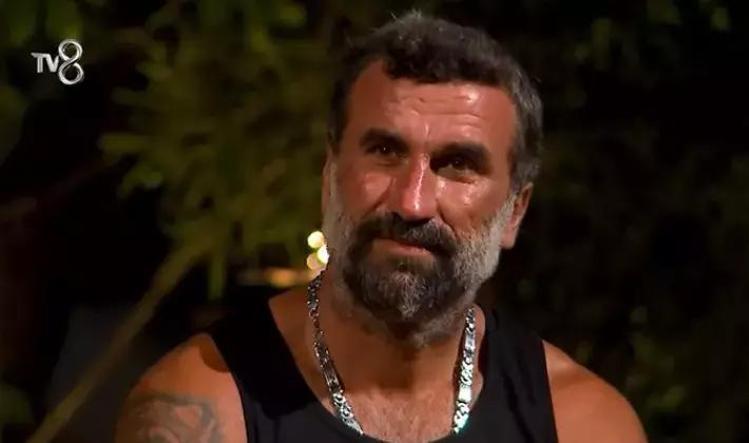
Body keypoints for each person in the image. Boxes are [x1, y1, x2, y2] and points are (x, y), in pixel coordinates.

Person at [116, 12, 647, 443]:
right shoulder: (203, 408)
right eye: (386, 152)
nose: (412, 203)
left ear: (514, 212)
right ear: (329, 178)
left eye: (457, 164)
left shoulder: (583, 424)